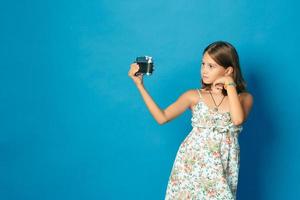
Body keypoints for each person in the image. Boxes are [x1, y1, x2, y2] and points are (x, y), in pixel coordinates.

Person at [128, 41, 253, 199]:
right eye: (203, 64)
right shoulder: (194, 96)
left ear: (228, 70)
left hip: (222, 167)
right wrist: (140, 85)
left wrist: (230, 85)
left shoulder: (244, 98)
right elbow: (162, 117)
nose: (204, 71)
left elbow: (237, 120)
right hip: (191, 164)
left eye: (211, 66)